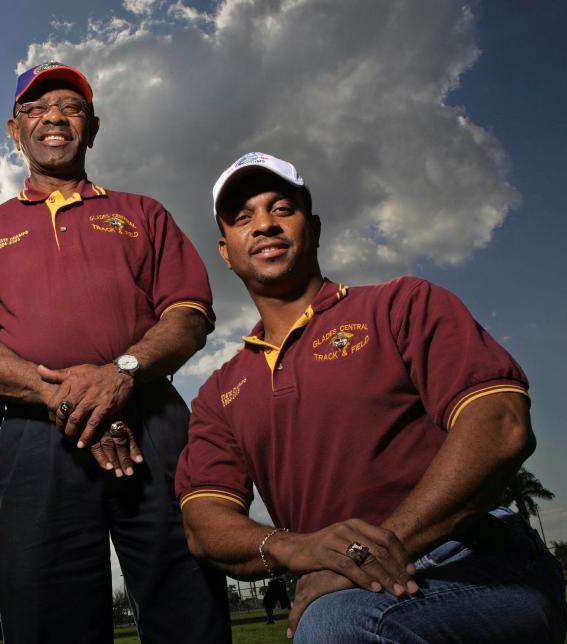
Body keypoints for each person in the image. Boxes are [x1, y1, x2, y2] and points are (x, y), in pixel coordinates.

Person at [175, 151, 567, 642]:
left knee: (333, 628)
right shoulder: (219, 391)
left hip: (473, 562)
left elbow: (500, 424)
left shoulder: (401, 304)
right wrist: (298, 549)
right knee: (335, 620)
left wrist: (364, 554)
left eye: (282, 209)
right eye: (242, 218)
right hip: (344, 587)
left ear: (313, 228)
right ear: (225, 251)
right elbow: (204, 522)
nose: (264, 226)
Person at [0, 61, 230, 643]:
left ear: (91, 128)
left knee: (187, 603)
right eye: (36, 110)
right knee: (48, 620)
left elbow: (189, 314)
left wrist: (121, 375)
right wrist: (66, 399)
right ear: (14, 132)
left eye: (70, 108)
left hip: (152, 422)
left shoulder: (143, 213)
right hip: (35, 435)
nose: (53, 119)